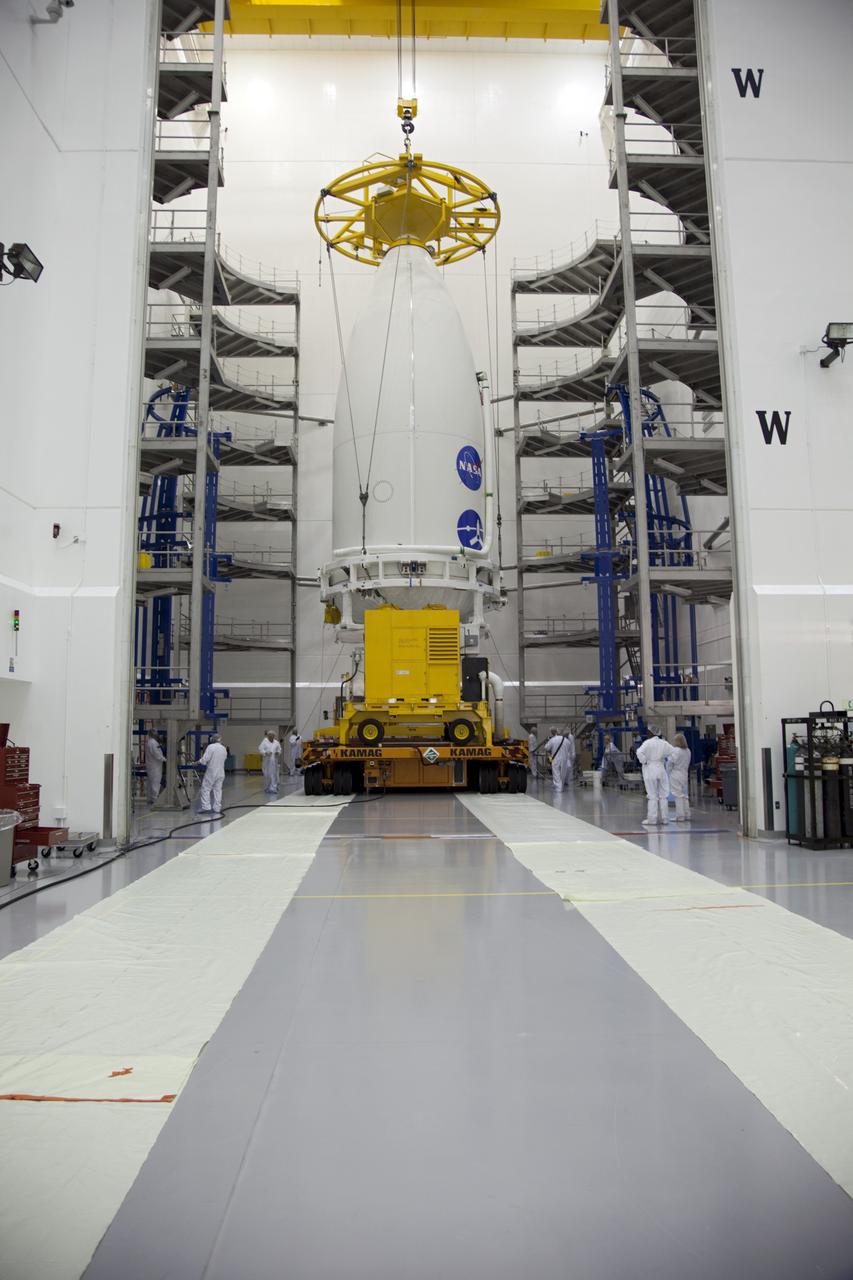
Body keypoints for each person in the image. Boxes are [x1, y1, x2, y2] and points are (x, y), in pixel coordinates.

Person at [636, 727, 676, 827]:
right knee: (663, 796)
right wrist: (668, 763)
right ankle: (665, 818)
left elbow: (639, 752)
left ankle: (652, 819)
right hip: (661, 769)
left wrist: (644, 761)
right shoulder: (664, 743)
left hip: (650, 769)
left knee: (653, 796)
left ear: (651, 733)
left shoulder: (647, 743)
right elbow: (673, 753)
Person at [197, 733, 227, 817]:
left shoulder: (211, 747)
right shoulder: (223, 748)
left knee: (206, 788)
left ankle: (206, 807)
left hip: (211, 772)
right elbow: (224, 758)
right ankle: (217, 808)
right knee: (218, 790)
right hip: (221, 772)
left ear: (212, 739)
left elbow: (205, 759)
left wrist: (198, 762)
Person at [669, 732, 692, 822]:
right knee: (685, 795)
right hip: (684, 774)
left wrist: (669, 770)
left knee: (678, 795)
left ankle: (680, 816)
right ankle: (687, 814)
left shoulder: (676, 750)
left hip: (676, 774)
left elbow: (670, 762)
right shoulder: (688, 751)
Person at [544, 725, 575, 793]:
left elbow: (546, 747)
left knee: (556, 773)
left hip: (556, 759)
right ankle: (561, 786)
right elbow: (569, 748)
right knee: (562, 773)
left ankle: (558, 788)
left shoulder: (553, 739)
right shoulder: (566, 740)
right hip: (564, 760)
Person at [145, 730, 165, 803]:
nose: (157, 734)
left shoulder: (150, 742)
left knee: (151, 782)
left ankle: (150, 798)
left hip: (152, 765)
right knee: (155, 782)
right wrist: (164, 759)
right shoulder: (153, 743)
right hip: (155, 766)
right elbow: (156, 754)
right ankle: (154, 799)